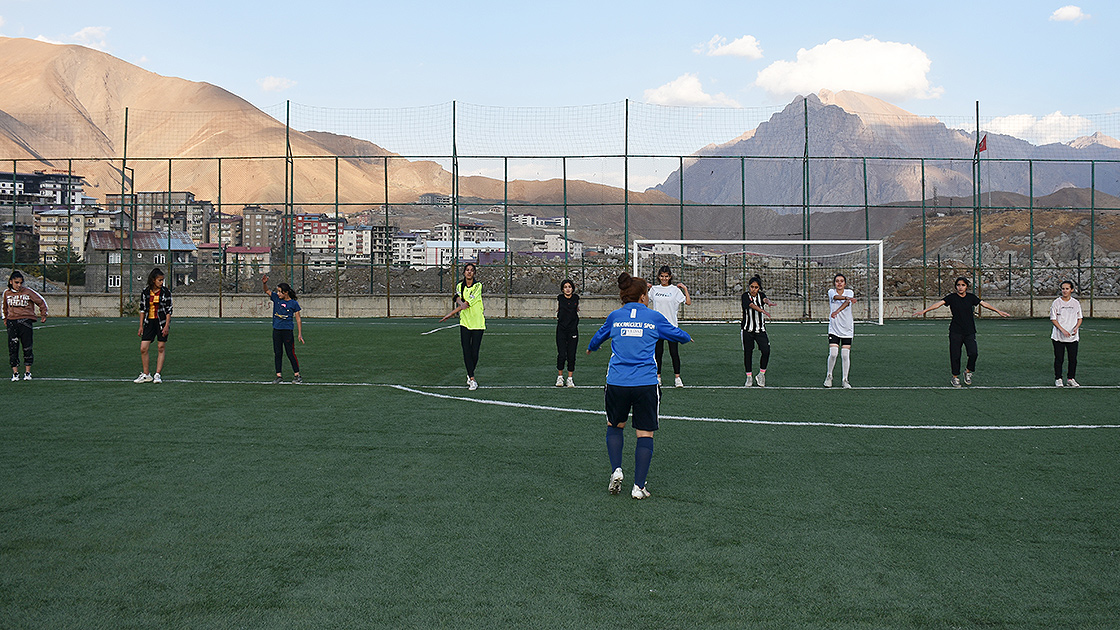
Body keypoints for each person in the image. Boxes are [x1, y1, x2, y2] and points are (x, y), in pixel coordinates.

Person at [587, 272, 692, 500]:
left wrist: (591, 347)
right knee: (644, 433)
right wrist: (686, 337)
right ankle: (638, 487)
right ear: (644, 296)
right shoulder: (652, 317)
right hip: (645, 382)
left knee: (615, 425)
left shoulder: (615, 316)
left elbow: (598, 337)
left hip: (617, 381)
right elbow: (676, 334)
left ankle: (616, 470)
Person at [913, 276, 1010, 387]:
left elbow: (984, 304)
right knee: (955, 355)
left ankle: (968, 372)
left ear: (966, 287)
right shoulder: (952, 298)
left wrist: (998, 311)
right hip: (955, 331)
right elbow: (938, 304)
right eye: (958, 285)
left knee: (973, 353)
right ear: (956, 286)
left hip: (969, 331)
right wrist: (924, 311)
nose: (960, 287)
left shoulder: (971, 297)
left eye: (963, 285)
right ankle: (955, 377)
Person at [439, 262, 485, 390]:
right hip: (465, 323)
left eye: (471, 270)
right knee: (466, 351)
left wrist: (450, 313)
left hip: (477, 323)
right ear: (464, 272)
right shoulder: (460, 285)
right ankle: (472, 378)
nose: (469, 272)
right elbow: (458, 297)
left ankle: (470, 372)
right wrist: (459, 301)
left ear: (474, 273)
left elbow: (466, 304)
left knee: (474, 353)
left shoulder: (478, 286)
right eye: (467, 270)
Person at [647, 265, 691, 387]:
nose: (664, 278)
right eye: (662, 276)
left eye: (666, 276)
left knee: (674, 353)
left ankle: (677, 378)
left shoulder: (675, 290)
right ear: (659, 277)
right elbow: (644, 303)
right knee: (658, 353)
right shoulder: (654, 289)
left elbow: (688, 302)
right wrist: (645, 290)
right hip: (657, 327)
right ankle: (658, 376)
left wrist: (685, 289)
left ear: (670, 277)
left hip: (671, 326)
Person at [3, 271, 48, 381]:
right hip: (12, 322)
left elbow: (41, 301)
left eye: (21, 283)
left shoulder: (28, 292)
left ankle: (27, 372)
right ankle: (15, 373)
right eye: (16, 282)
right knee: (13, 347)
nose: (19, 285)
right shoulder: (6, 293)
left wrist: (43, 314)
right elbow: (4, 307)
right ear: (11, 282)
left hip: (25, 322)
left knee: (27, 346)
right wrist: (5, 318)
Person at [263, 275, 304, 384]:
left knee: (290, 353)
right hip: (277, 330)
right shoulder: (276, 298)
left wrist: (300, 334)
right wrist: (264, 283)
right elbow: (266, 290)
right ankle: (279, 376)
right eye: (278, 291)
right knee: (278, 353)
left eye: (280, 292)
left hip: (287, 331)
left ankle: (297, 375)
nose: (278, 293)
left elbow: (298, 319)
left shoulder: (293, 304)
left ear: (286, 292)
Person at [134, 268, 172, 384]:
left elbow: (169, 310)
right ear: (153, 280)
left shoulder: (166, 292)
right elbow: (142, 310)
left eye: (162, 280)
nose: (161, 283)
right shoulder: (145, 292)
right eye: (159, 280)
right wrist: (141, 326)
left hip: (160, 323)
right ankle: (146, 374)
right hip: (149, 322)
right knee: (143, 348)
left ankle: (157, 374)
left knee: (161, 347)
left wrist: (166, 326)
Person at [740, 275, 776, 387]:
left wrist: (769, 302)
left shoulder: (761, 296)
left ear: (759, 288)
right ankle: (749, 377)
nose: (753, 289)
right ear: (749, 287)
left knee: (766, 350)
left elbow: (765, 299)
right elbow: (750, 305)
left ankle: (761, 374)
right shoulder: (745, 296)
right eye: (752, 287)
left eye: (756, 287)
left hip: (760, 330)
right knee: (748, 353)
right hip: (747, 329)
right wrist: (762, 310)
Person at [824, 273, 857, 389]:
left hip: (847, 328)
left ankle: (845, 380)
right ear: (834, 283)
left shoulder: (850, 292)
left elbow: (846, 303)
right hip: (834, 328)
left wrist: (837, 311)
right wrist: (846, 299)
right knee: (833, 354)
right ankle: (829, 376)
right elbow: (836, 298)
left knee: (845, 355)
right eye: (837, 281)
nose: (839, 283)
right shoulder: (831, 292)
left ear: (845, 283)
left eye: (841, 281)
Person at [1049, 280, 1082, 387]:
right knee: (1059, 358)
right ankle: (1058, 379)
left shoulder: (1076, 303)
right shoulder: (1056, 303)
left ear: (1071, 290)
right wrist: (1062, 330)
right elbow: (1053, 319)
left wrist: (1076, 328)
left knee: (1073, 359)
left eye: (1067, 289)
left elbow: (1079, 318)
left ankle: (1071, 379)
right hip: (1058, 337)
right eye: (1063, 289)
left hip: (1073, 337)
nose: (1065, 291)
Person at [555, 279, 579, 388]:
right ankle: (560, 377)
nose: (568, 289)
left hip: (573, 330)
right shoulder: (560, 298)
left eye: (569, 286)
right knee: (561, 354)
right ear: (562, 289)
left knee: (571, 355)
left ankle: (570, 378)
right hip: (561, 330)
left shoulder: (576, 299)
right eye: (565, 287)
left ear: (573, 288)